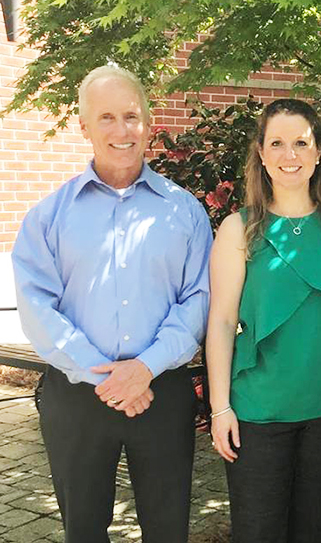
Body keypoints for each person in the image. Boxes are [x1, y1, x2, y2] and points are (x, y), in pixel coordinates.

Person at [11, 65, 213, 543]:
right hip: (78, 396)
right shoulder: (48, 216)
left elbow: (198, 299)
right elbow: (37, 307)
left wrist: (143, 368)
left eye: (131, 116)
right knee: (83, 530)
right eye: (106, 118)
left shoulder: (183, 210)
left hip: (160, 393)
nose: (121, 131)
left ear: (147, 122)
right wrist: (105, 375)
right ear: (84, 127)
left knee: (167, 530)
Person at [206, 98, 321, 543]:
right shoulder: (239, 228)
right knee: (257, 532)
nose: (289, 155)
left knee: (317, 530)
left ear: (318, 152)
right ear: (261, 154)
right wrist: (219, 407)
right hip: (258, 412)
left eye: (300, 143)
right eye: (277, 143)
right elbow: (220, 322)